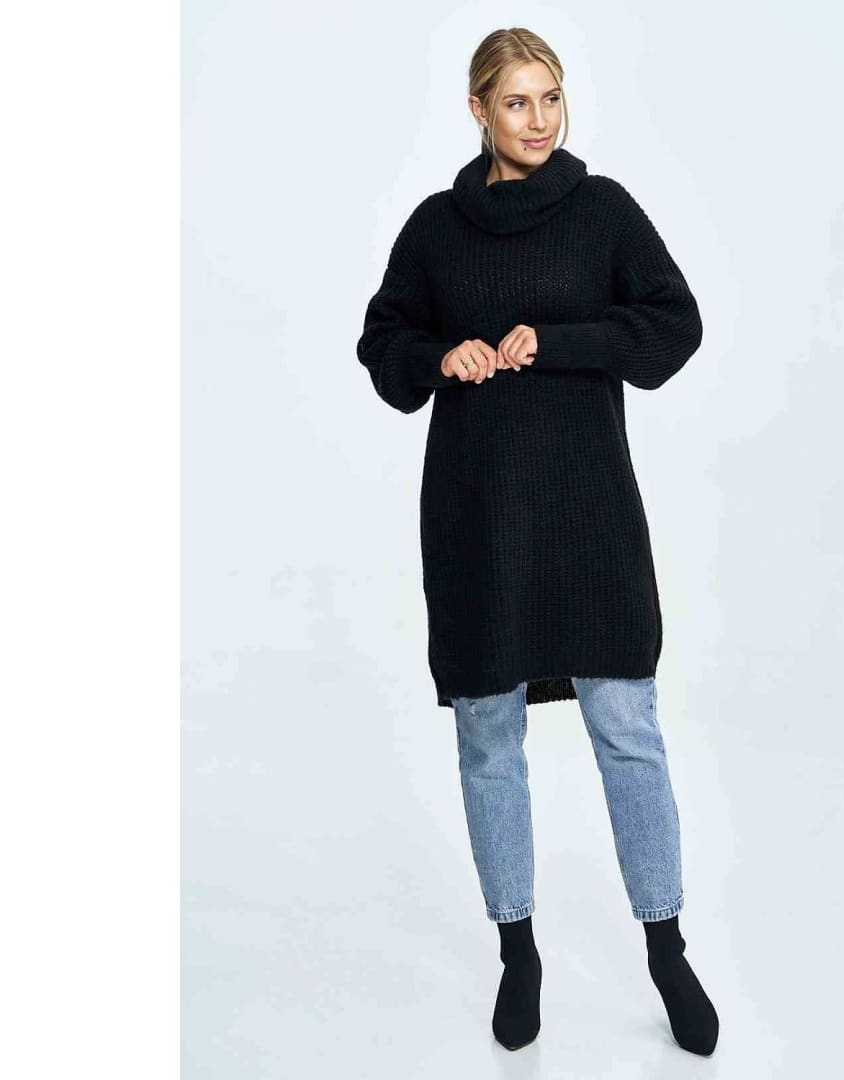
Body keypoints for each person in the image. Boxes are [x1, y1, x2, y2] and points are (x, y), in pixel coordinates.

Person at [356, 27, 718, 1056]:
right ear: (478, 111)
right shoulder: (436, 230)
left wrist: (555, 343)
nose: (539, 120)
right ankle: (518, 951)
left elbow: (674, 326)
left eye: (551, 98)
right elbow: (383, 345)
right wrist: (442, 357)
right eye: (517, 102)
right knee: (488, 734)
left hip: (589, 514)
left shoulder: (603, 212)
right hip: (477, 516)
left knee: (627, 726)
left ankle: (666, 948)